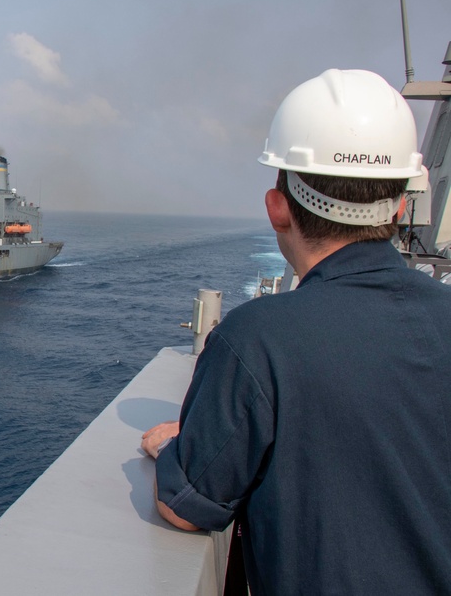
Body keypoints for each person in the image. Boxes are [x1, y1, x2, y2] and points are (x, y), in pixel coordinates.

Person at [141, 68, 451, 594]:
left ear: (277, 206)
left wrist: (176, 445)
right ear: (402, 206)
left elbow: (188, 506)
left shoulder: (257, 340)